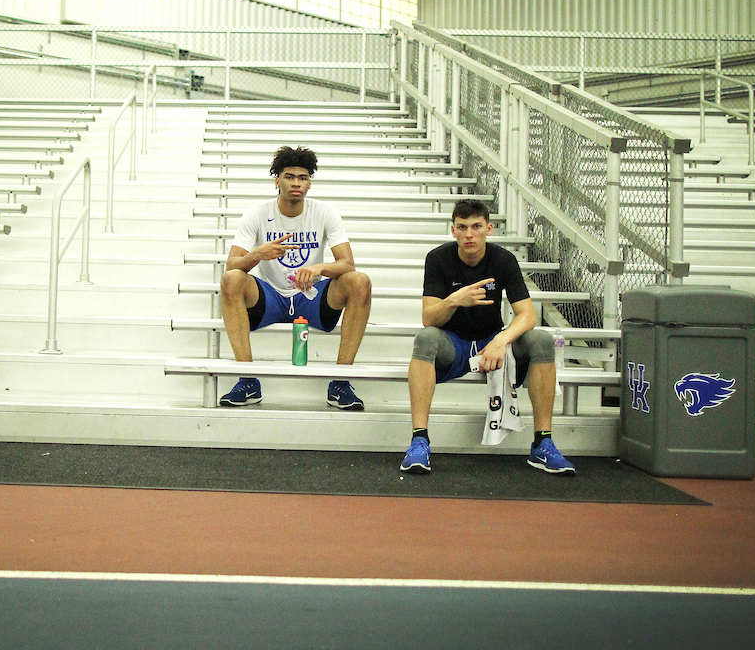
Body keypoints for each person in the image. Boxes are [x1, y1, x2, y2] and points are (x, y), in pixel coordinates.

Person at [399, 198, 575, 475]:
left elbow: (527, 315)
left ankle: (543, 444)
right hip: (452, 343)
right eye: (462, 227)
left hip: (491, 340)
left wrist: (501, 340)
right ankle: (419, 440)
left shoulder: (503, 259)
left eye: (476, 226)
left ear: (489, 229)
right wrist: (454, 300)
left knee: (541, 340)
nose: (469, 234)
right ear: (453, 230)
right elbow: (428, 319)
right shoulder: (438, 258)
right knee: (426, 339)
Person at [218, 146, 372, 409]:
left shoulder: (325, 212)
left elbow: (347, 263)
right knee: (232, 279)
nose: (296, 183)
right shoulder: (257, 213)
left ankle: (340, 381)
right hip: (270, 298)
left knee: (360, 281)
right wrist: (258, 254)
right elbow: (231, 265)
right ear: (277, 180)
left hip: (310, 296)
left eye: (302, 177)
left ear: (310, 183)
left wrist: (318, 269)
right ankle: (248, 379)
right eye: (289, 177)